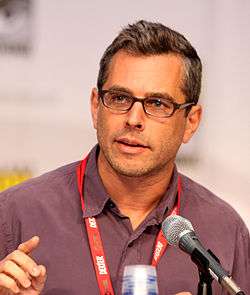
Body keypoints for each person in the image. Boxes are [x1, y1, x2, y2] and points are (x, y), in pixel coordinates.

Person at [0, 20, 249, 295]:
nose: (133, 119)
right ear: (96, 107)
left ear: (191, 121)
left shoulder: (225, 229)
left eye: (157, 104)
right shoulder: (15, 214)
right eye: (119, 98)